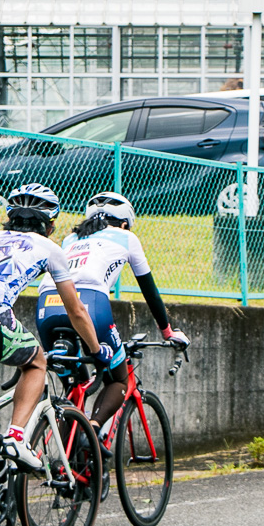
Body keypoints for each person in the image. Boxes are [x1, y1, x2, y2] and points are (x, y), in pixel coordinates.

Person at [0, 183, 105, 470]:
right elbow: (75, 310)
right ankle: (15, 437)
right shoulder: (50, 247)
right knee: (36, 362)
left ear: (10, 215)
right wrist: (96, 350)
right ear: (50, 225)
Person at [36, 191, 190, 447]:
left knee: (76, 385)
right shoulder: (126, 237)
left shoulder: (70, 238)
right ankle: (92, 435)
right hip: (91, 305)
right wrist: (167, 331)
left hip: (47, 306)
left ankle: (69, 465)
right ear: (125, 223)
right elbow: (149, 289)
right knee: (117, 377)